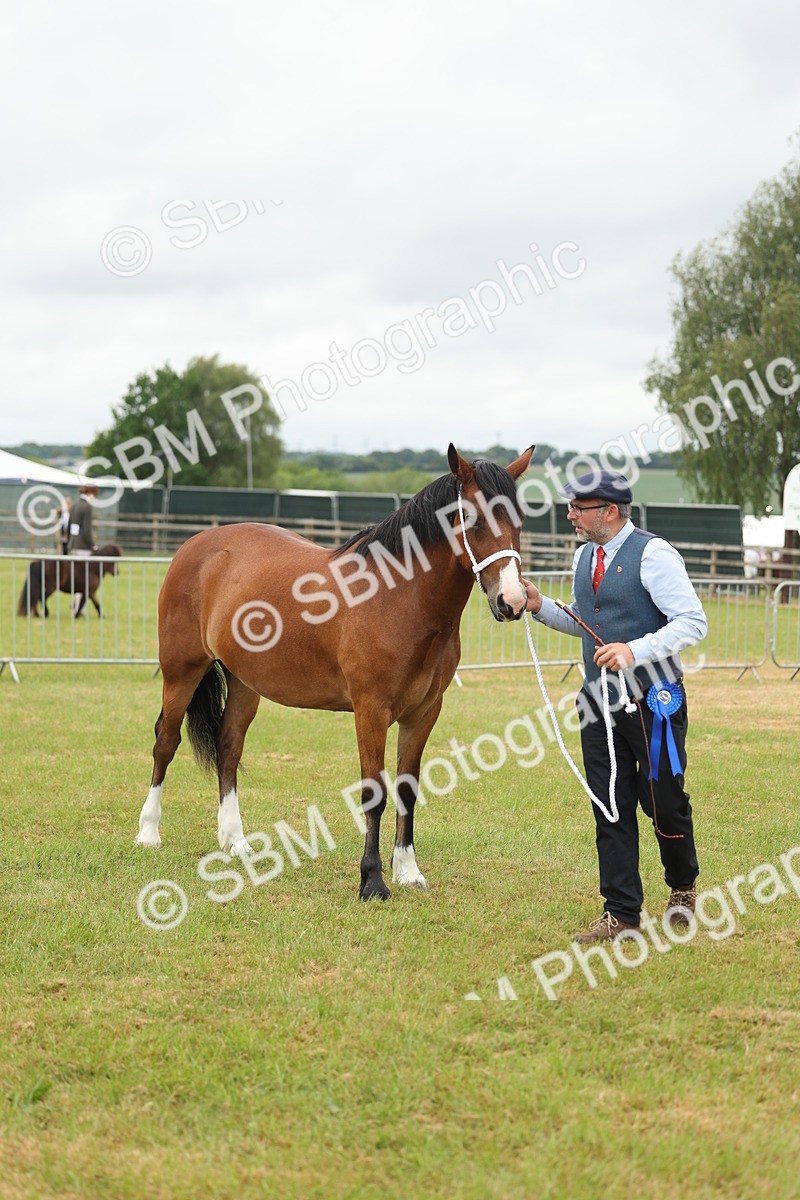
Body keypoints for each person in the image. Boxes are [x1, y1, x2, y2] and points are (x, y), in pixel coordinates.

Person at [522, 470, 708, 943]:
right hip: (596, 704)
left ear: (609, 510)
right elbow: (588, 626)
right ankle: (621, 911)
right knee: (609, 805)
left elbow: (692, 622)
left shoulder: (654, 554)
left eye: (577, 509)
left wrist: (634, 650)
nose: (569, 516)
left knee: (663, 802)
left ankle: (683, 888)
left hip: (653, 701)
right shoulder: (584, 556)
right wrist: (542, 605)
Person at [68, 484, 100, 615]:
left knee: (76, 577)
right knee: (84, 579)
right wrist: (93, 545)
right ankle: (78, 607)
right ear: (90, 493)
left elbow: (70, 525)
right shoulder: (87, 507)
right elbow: (87, 530)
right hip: (84, 547)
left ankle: (76, 604)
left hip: (73, 544)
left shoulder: (74, 505)